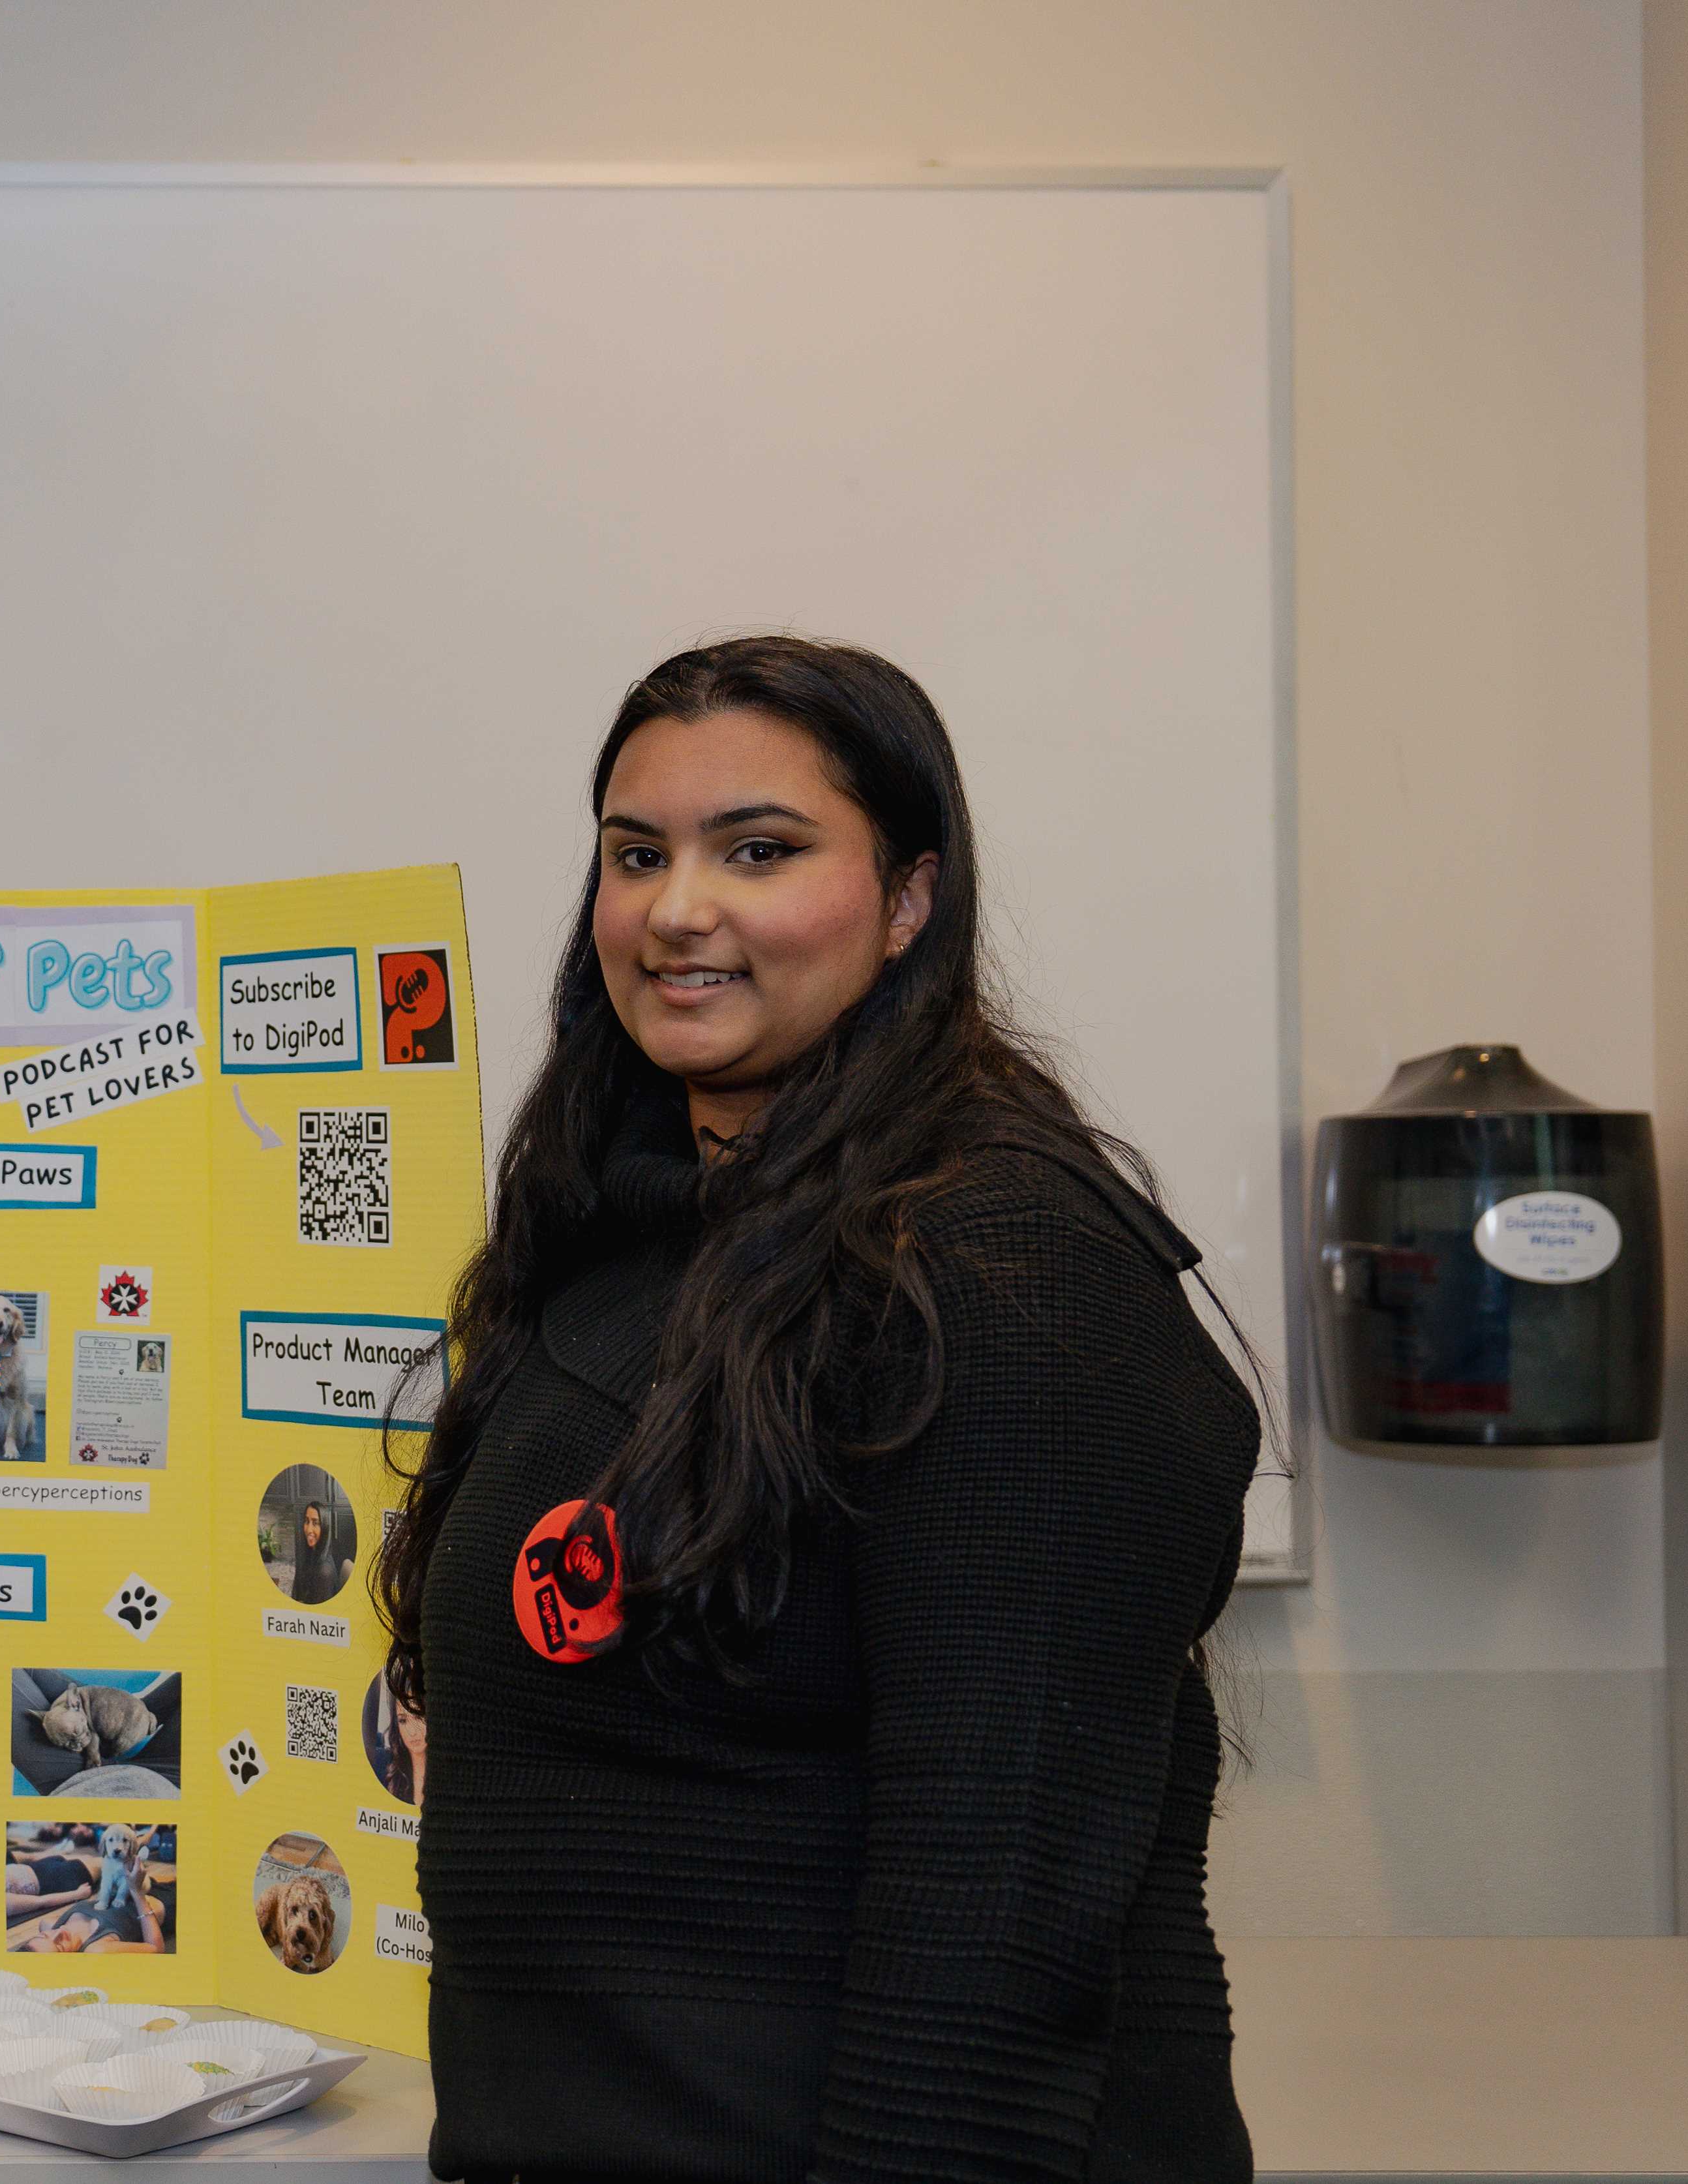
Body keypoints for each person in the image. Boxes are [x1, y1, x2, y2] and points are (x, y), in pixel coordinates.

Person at [381, 637, 1259, 2181]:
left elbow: (990, 1931)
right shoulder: (618, 1231)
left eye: (759, 851)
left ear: (908, 899)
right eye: (635, 855)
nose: (676, 910)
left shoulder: (1006, 1269)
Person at [284, 1493, 351, 1605]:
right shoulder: (315, 1553)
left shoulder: (324, 1571)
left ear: (324, 1527)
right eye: (307, 1521)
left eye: (315, 1523)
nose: (309, 1529)